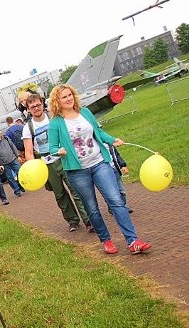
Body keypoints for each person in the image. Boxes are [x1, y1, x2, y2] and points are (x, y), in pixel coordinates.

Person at [48, 84, 151, 255]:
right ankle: (106, 240)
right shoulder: (56, 123)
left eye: (70, 95)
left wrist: (112, 139)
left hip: (99, 163)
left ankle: (133, 241)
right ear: (57, 101)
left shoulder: (86, 113)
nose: (69, 99)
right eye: (64, 97)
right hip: (77, 171)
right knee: (92, 208)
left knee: (115, 200)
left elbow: (98, 133)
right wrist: (59, 151)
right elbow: (51, 147)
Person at [23, 93, 93, 233]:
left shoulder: (54, 118)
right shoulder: (27, 128)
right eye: (32, 107)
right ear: (28, 110)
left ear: (43, 104)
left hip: (64, 159)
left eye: (38, 105)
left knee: (76, 189)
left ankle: (88, 220)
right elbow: (29, 152)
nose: (36, 108)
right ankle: (72, 220)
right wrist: (34, 169)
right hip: (47, 165)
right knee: (60, 194)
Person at [0, 127, 24, 197]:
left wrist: (17, 155)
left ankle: (20, 184)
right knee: (10, 178)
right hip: (4, 163)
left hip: (13, 159)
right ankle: (17, 190)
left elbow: (13, 146)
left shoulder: (6, 138)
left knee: (20, 172)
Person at [104, 143, 133, 214]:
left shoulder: (109, 144)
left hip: (114, 169)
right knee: (110, 192)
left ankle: (123, 206)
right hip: (104, 172)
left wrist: (123, 165)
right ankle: (112, 207)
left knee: (121, 190)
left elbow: (117, 155)